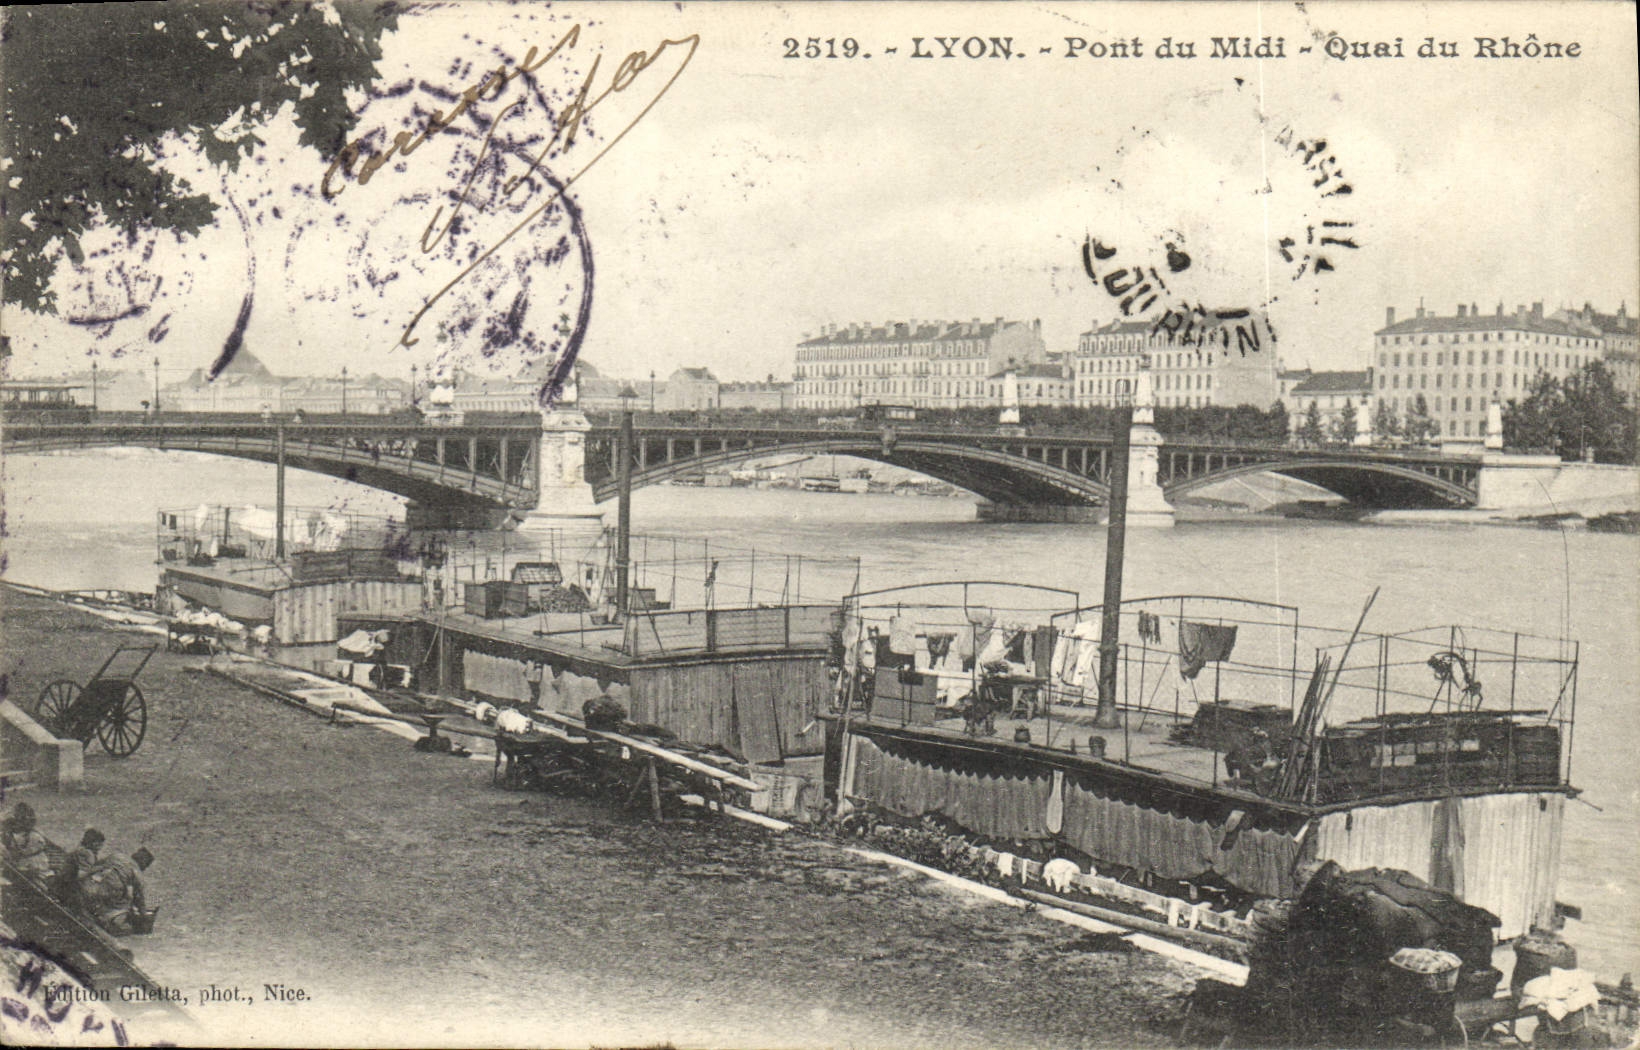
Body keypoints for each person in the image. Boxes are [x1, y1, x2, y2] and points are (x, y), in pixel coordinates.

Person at [80, 845, 156, 936]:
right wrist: (143, 913)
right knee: (125, 901)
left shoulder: (117, 855)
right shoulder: (136, 871)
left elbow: (96, 864)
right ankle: (110, 922)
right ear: (143, 862)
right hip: (109, 892)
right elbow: (139, 897)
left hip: (90, 885)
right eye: (146, 866)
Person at [2, 803, 55, 881]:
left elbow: (16, 854)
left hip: (30, 868)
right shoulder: (34, 836)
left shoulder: (32, 837)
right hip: (35, 866)